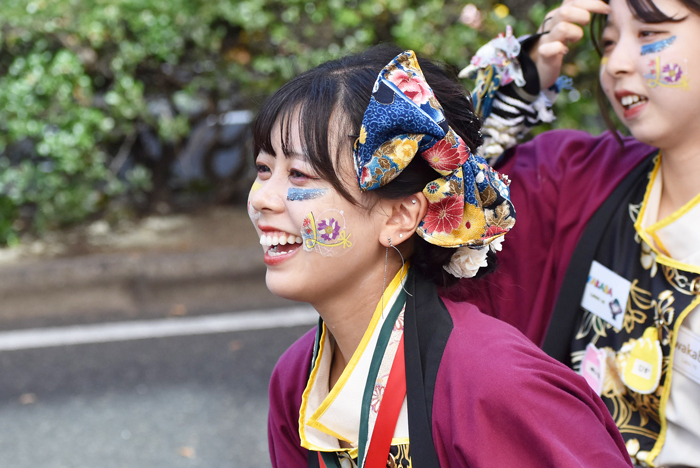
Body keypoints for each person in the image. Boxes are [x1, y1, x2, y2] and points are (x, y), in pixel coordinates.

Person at [248, 44, 634, 467]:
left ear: (399, 215)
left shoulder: (497, 385)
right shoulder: (295, 380)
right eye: (264, 169)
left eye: (299, 174)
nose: (263, 198)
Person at [459, 0, 700, 465]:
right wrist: (520, 88)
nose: (617, 64)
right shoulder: (578, 177)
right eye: (608, 43)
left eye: (649, 35)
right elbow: (448, 208)